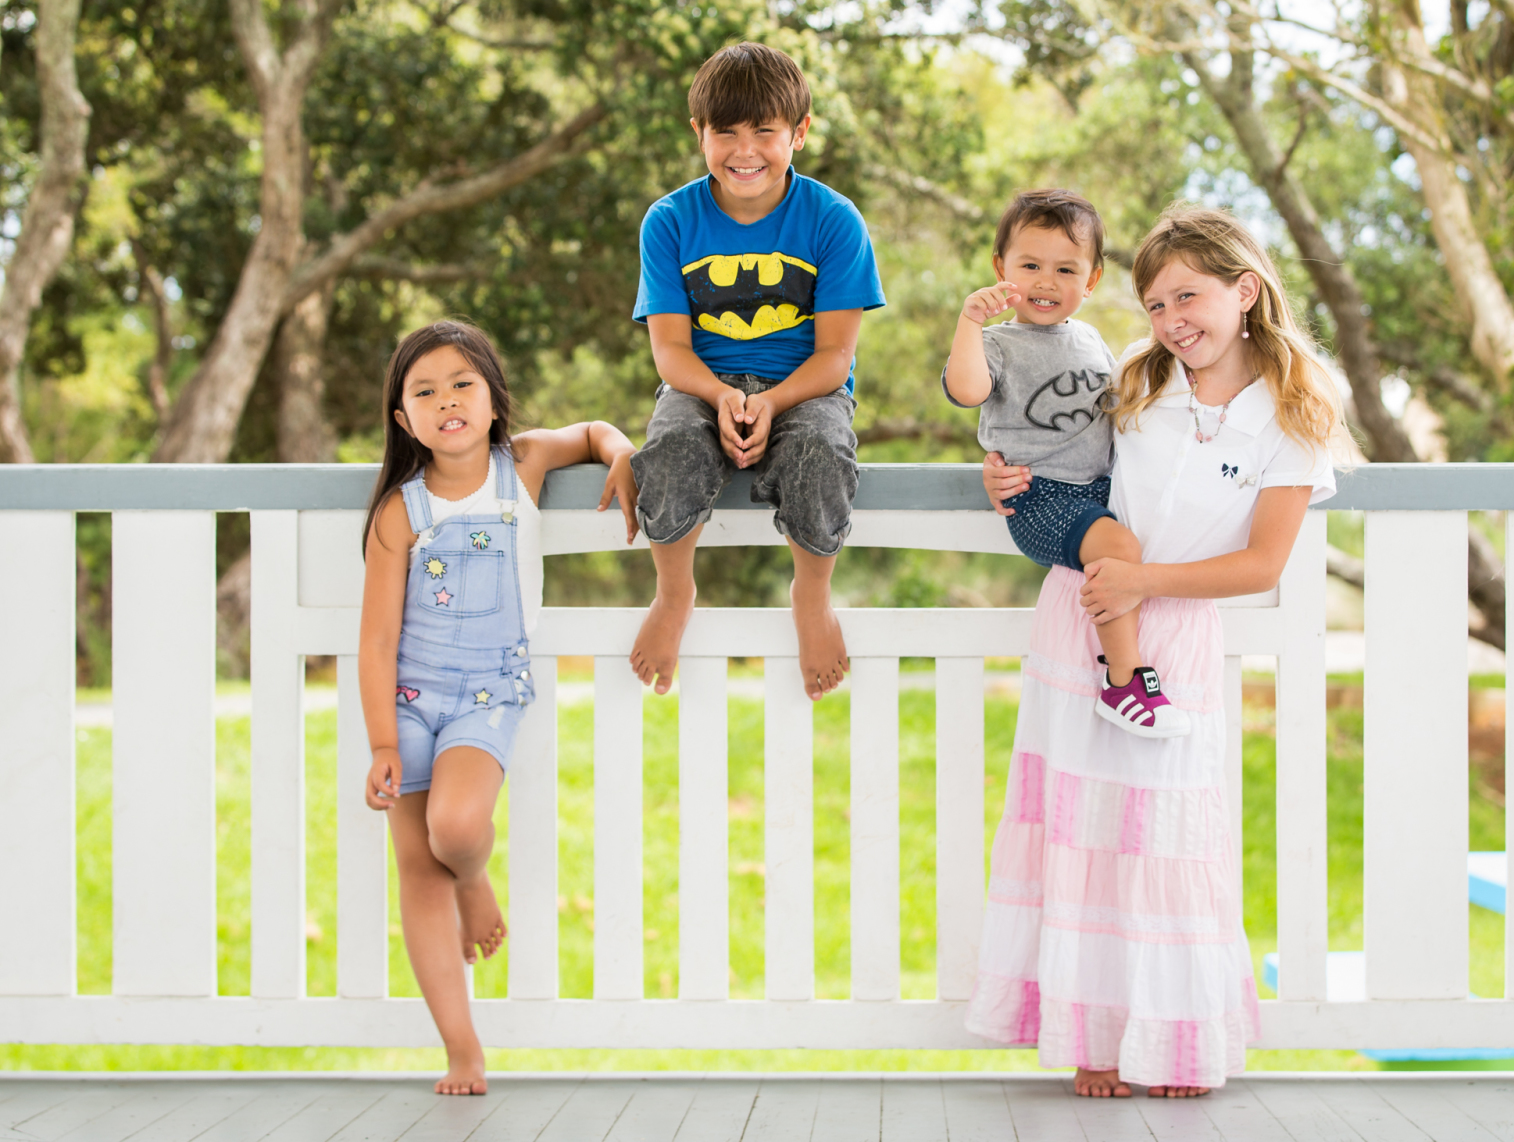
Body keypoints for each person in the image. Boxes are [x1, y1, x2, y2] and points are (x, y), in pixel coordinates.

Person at [965, 206, 1348, 1097]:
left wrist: (1146, 582)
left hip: (1170, 631)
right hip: (1086, 612)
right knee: (1083, 835)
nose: (1172, 319)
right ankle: (1095, 1042)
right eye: (1155, 303)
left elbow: (1261, 564)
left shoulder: (1293, 413)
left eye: (1188, 297)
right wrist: (1002, 472)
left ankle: (1173, 1044)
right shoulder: (1137, 377)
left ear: (1244, 292)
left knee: (1166, 843)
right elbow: (1052, 450)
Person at [359, 319, 638, 1095]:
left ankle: (472, 872)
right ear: (403, 419)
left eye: (462, 384)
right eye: (425, 392)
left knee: (453, 829)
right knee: (417, 868)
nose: (447, 401)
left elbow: (592, 431)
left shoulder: (524, 465)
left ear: (491, 398)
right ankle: (462, 1050)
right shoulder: (400, 512)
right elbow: (377, 642)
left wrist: (621, 452)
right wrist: (383, 742)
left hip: (488, 690)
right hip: (410, 697)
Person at [627, 41, 885, 701]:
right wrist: (720, 396)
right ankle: (674, 593)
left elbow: (835, 356)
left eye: (765, 131)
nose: (746, 150)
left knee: (823, 451)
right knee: (670, 446)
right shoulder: (669, 221)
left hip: (807, 385)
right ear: (699, 133)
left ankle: (812, 598)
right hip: (698, 381)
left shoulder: (833, 220)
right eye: (726, 132)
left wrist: (772, 401)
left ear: (799, 132)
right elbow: (670, 351)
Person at [944, 189, 1189, 738]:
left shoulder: (1092, 339)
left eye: (1066, 269)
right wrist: (969, 321)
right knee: (1119, 550)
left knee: (1145, 540)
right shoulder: (998, 344)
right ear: (1000, 268)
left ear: (1092, 279)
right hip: (1040, 495)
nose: (1047, 282)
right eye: (1030, 266)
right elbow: (966, 390)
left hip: (1101, 489)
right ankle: (1123, 681)